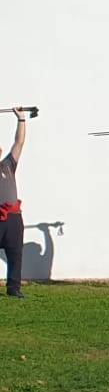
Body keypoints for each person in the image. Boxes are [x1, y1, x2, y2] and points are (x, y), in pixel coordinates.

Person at [0, 109, 26, 298]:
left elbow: (19, 142)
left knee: (15, 254)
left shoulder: (8, 165)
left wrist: (21, 119)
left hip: (14, 219)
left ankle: (13, 288)